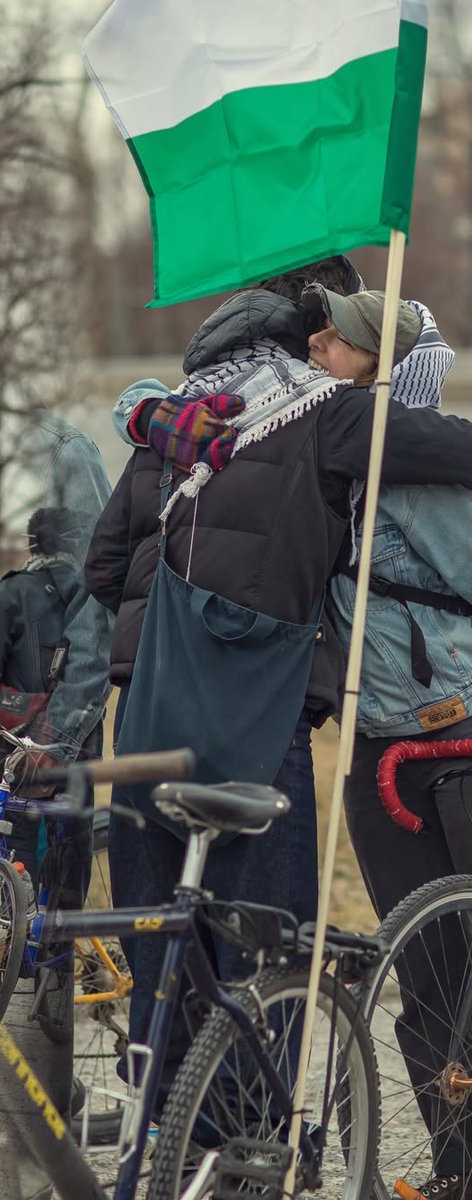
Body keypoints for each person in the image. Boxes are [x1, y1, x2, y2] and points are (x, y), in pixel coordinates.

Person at [85, 267, 472, 1117]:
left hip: (150, 705)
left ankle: (166, 1131)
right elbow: (457, 452)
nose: (322, 347)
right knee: (267, 939)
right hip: (261, 710)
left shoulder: (177, 420)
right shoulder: (329, 414)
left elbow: (102, 567)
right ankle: (248, 1144)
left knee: (163, 927)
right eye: (320, 334)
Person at [309, 287, 472, 1200]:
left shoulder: (428, 465)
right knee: (424, 977)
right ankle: (451, 1170)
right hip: (378, 755)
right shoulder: (330, 457)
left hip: (459, 731)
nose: (318, 343)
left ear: (379, 358)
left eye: (338, 336)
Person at [0, 505, 97, 885]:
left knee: (19, 863)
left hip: (19, 751)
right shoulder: (96, 598)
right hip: (82, 749)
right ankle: (57, 944)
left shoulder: (10, 592)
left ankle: (17, 941)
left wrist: (28, 714)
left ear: (33, 543)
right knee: (71, 859)